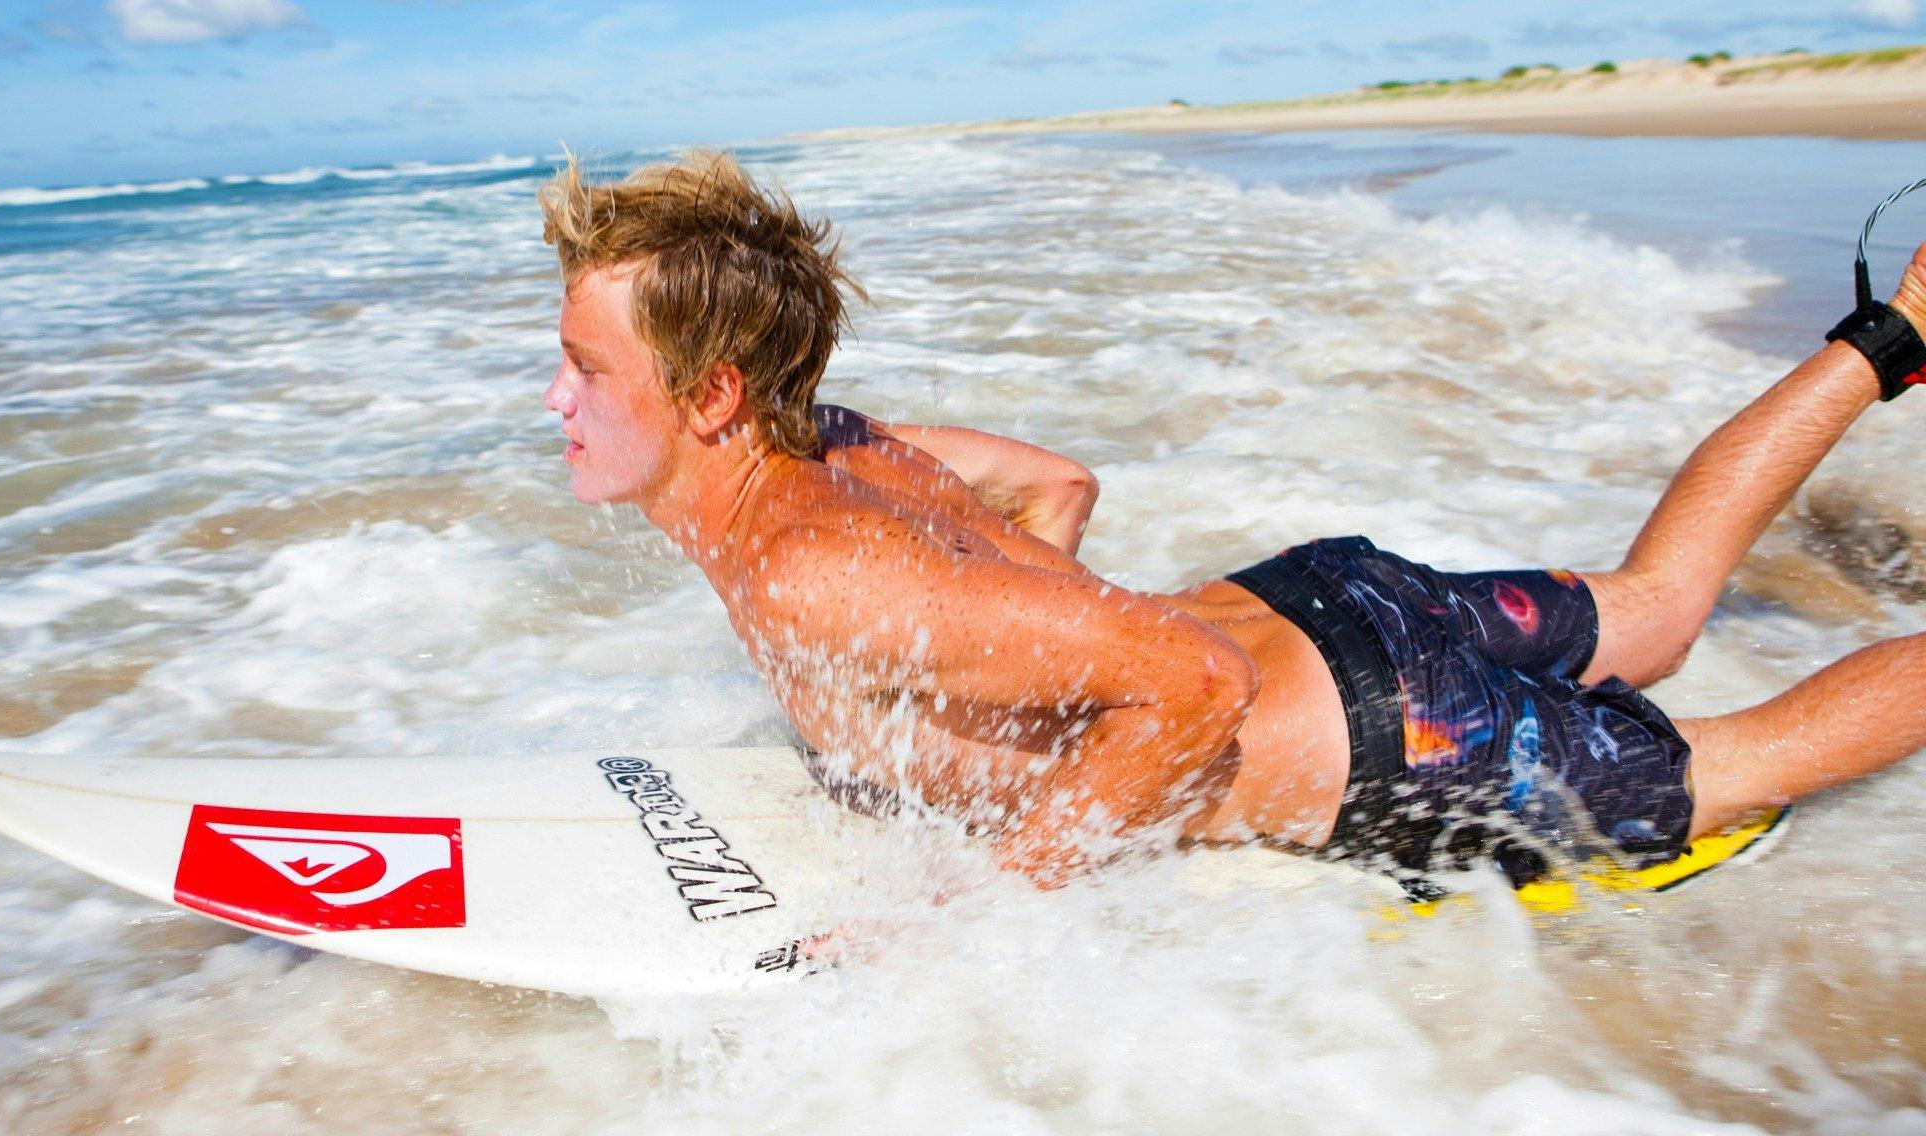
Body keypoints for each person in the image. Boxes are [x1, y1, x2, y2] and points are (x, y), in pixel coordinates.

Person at [538, 149, 1926, 889]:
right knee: (1663, 606)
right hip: (1333, 601)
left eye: (586, 369)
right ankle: (1899, 328)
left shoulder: (808, 573)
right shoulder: (836, 438)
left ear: (713, 394)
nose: (557, 400)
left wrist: (995, 892)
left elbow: (1193, 686)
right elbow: (1057, 483)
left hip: (1394, 735)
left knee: (1751, 763)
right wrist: (1010, 686)